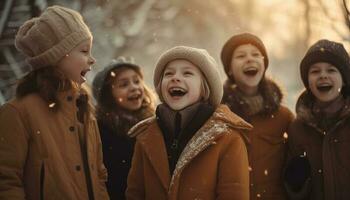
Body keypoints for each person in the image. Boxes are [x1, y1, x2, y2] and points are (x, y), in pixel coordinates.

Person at [0, 5, 109, 200]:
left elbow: (99, 175)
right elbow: (6, 182)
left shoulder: (84, 110)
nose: (92, 59)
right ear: (57, 56)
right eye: (84, 51)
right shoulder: (17, 113)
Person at [126, 46, 251, 200]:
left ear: (205, 88)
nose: (175, 78)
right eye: (168, 73)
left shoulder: (228, 138)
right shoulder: (145, 136)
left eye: (187, 73)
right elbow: (135, 193)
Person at [220, 33, 294, 200]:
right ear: (230, 69)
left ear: (264, 64)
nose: (249, 59)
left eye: (256, 55)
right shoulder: (219, 117)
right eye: (240, 56)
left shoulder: (283, 117)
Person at [285, 39, 350, 200]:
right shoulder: (297, 128)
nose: (323, 76)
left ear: (344, 79)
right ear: (307, 81)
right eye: (315, 71)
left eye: (331, 70)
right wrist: (296, 185)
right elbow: (292, 192)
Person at [92, 57, 156, 200]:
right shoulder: (102, 131)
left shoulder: (154, 122)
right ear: (109, 96)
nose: (134, 87)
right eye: (124, 84)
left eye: (137, 81)